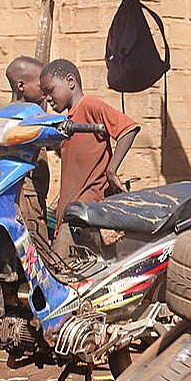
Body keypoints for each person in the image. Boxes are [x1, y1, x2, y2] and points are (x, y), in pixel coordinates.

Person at [40, 58, 140, 255]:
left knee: (61, 271)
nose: (48, 99)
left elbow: (129, 128)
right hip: (70, 210)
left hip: (86, 209)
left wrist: (111, 171)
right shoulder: (67, 120)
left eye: (50, 91)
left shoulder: (90, 105)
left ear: (70, 81)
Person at [4, 57, 52, 247]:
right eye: (41, 85)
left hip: (24, 190)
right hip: (28, 191)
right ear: (21, 85)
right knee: (35, 237)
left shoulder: (5, 111)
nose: (45, 90)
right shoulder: (29, 114)